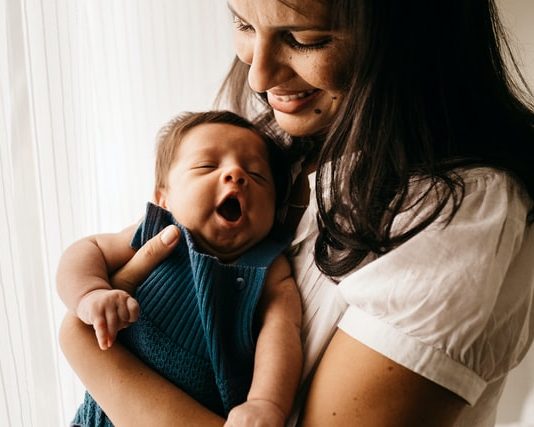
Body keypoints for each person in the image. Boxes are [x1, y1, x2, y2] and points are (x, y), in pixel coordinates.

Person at [59, 0, 534, 425]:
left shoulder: (458, 215)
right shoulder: (279, 146)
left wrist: (86, 348)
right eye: (243, 23)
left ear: (411, 41)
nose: (258, 78)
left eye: (305, 39)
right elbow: (98, 253)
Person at [57, 111, 302, 426]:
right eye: (207, 166)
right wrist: (90, 293)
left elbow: (281, 332)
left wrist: (265, 402)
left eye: (257, 175)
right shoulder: (156, 233)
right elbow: (86, 250)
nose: (236, 174)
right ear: (164, 198)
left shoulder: (269, 266)